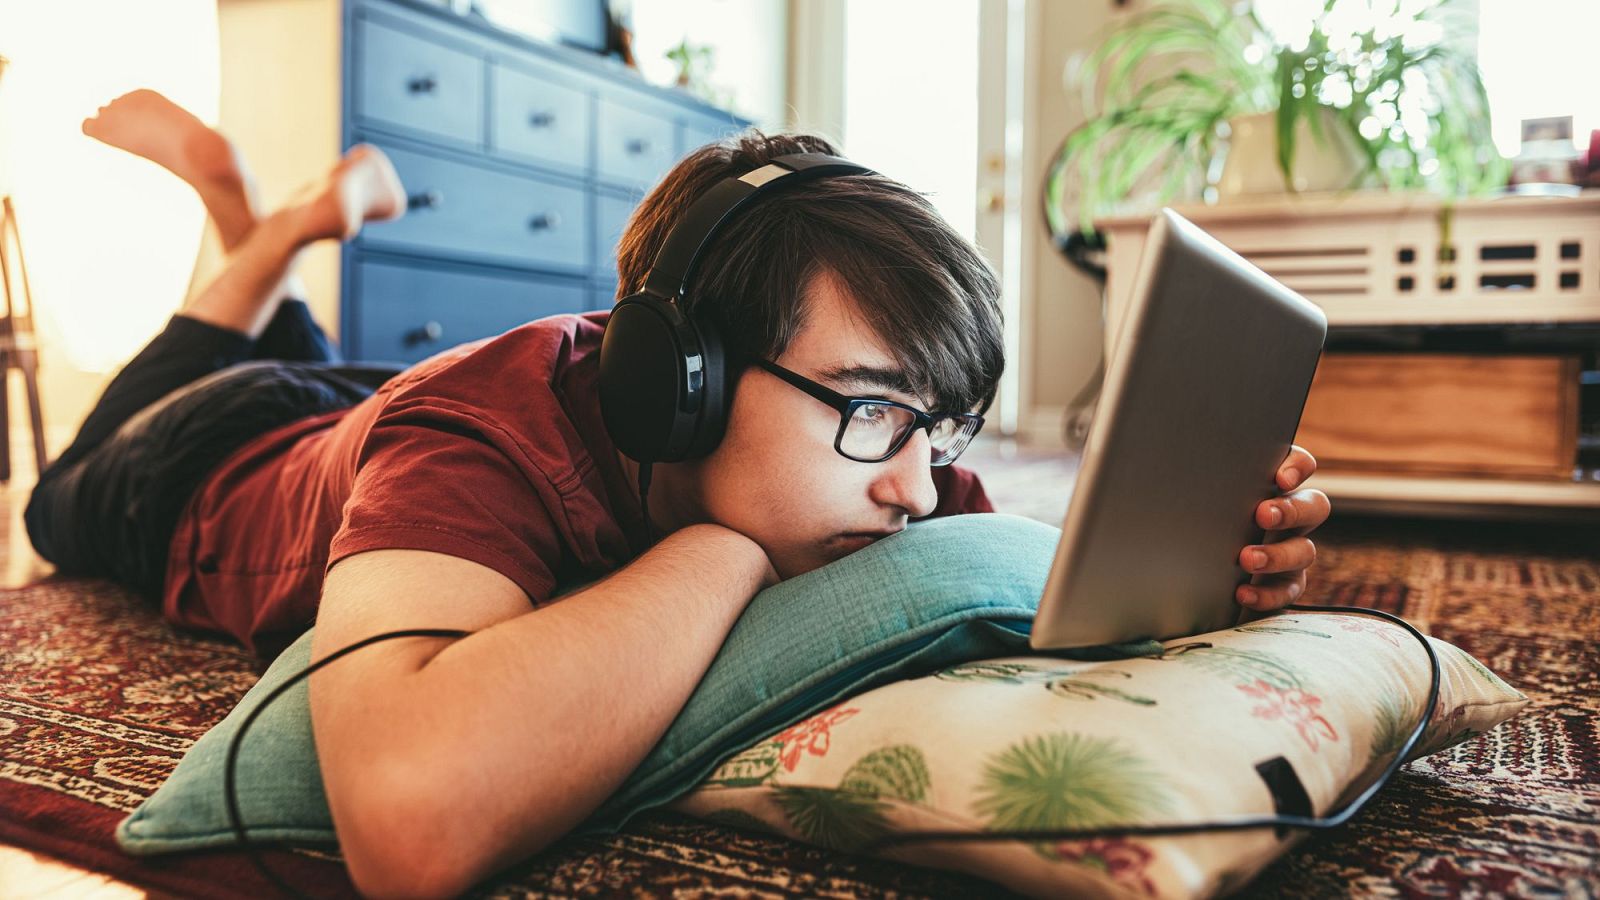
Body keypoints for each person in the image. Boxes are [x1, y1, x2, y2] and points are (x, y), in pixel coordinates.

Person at [28, 90, 1332, 896]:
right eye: (871, 408)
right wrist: (725, 551)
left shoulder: (877, 461)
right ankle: (252, 213)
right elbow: (409, 823)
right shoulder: (472, 436)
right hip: (195, 459)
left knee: (298, 352)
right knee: (79, 471)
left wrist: (1212, 558)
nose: (914, 487)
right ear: (679, 382)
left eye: (935, 427)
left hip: (348, 406)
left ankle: (269, 230)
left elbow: (1004, 587)